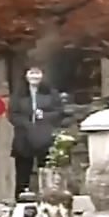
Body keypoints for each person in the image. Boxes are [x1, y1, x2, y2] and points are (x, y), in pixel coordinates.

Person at [9, 64, 66, 196]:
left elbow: (59, 112)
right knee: (23, 170)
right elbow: (13, 114)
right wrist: (27, 124)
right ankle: (21, 195)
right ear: (26, 76)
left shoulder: (51, 93)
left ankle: (48, 195)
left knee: (46, 168)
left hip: (45, 135)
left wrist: (45, 116)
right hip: (24, 136)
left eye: (37, 73)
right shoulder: (18, 94)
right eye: (31, 73)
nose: (34, 77)